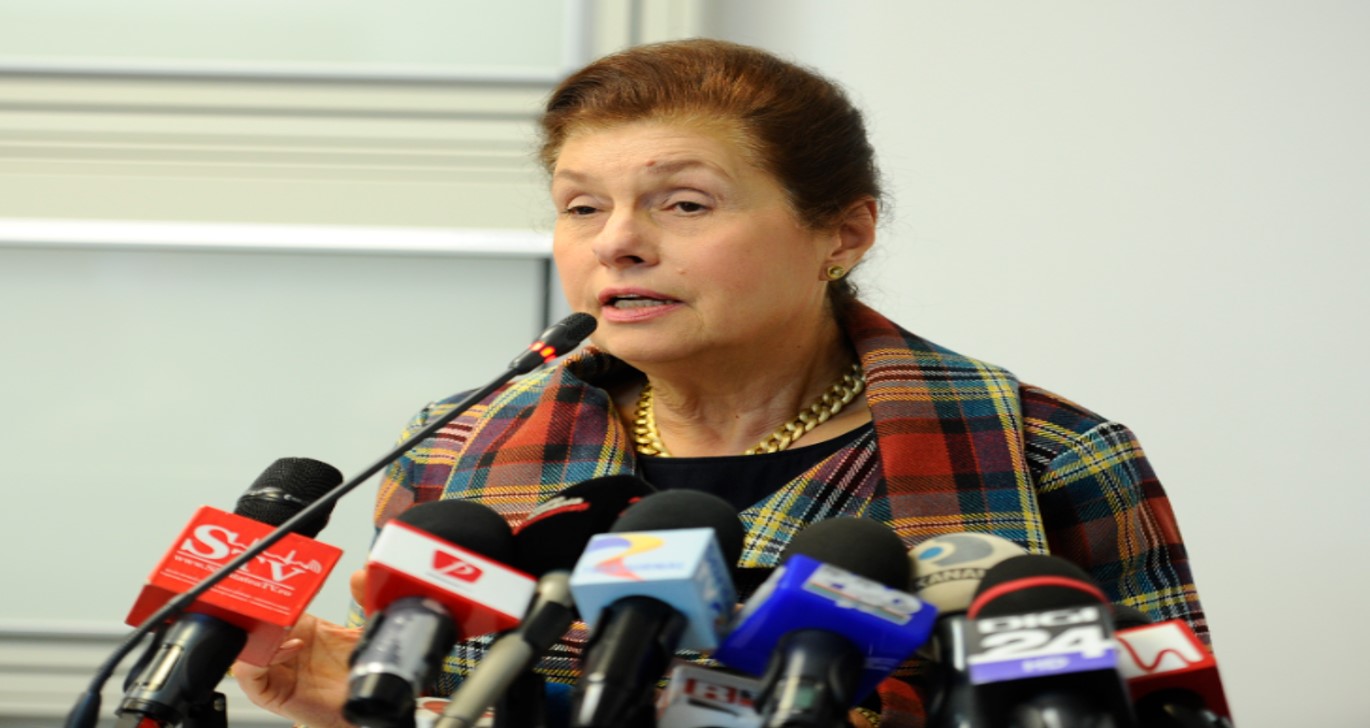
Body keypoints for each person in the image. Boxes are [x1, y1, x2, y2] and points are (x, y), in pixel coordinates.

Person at [234, 38, 1206, 728]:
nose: (616, 241)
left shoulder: (1050, 455)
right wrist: (350, 707)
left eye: (684, 203)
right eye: (581, 205)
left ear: (842, 233)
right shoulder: (456, 445)